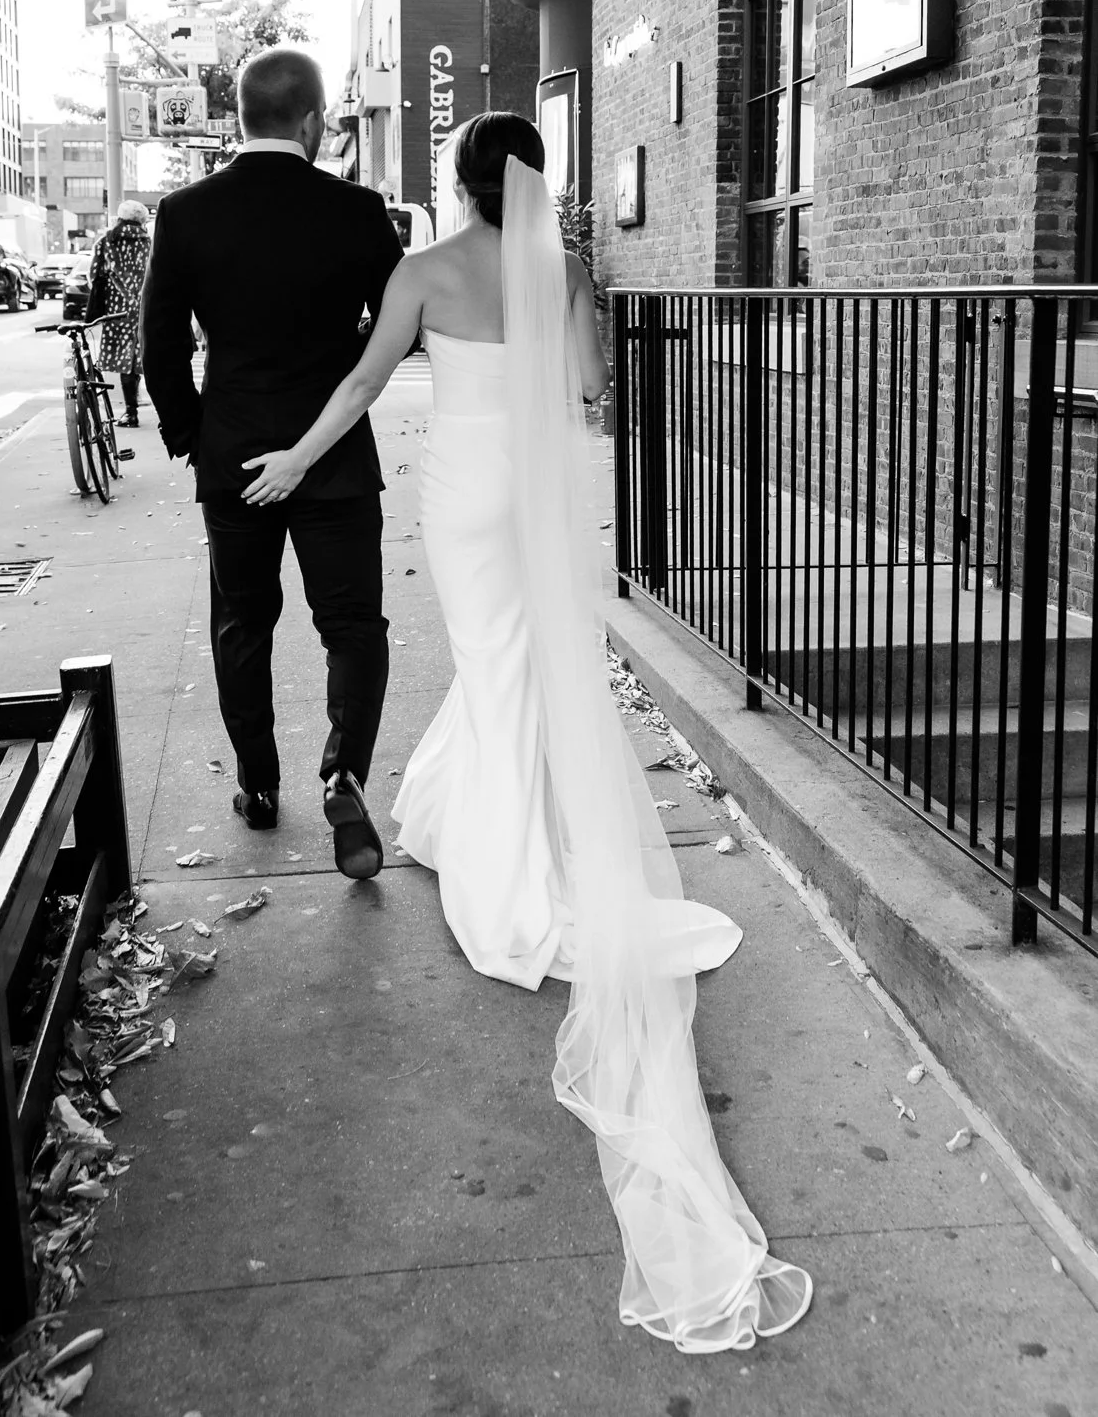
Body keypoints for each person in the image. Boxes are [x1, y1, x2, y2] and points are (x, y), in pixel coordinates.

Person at [241, 111, 814, 1352]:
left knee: (493, 663)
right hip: (541, 488)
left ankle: (509, 879)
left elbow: (359, 381)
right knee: (531, 670)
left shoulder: (421, 272)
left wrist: (293, 458)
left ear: (457, 180)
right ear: (537, 185)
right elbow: (592, 390)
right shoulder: (562, 272)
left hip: (462, 489)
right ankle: (522, 838)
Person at [141, 49, 401, 877]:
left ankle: (258, 784)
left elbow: (160, 351)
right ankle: (344, 772)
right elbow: (397, 328)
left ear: (242, 117)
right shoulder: (359, 210)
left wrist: (196, 439)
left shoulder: (183, 213)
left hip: (236, 463)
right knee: (353, 627)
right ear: (315, 121)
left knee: (241, 627)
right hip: (334, 459)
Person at [87, 200, 152, 426]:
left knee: (125, 358)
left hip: (117, 310)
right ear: (143, 220)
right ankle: (158, 412)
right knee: (143, 356)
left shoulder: (107, 241)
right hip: (146, 306)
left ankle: (131, 412)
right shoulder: (150, 242)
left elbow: (94, 274)